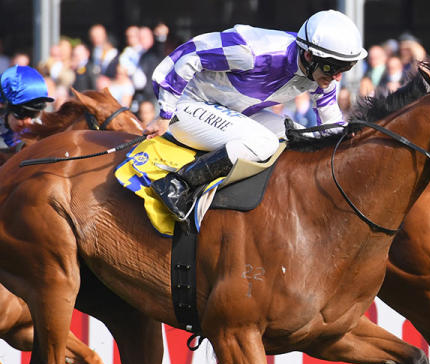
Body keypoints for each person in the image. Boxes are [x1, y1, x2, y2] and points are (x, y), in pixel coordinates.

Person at [147, 9, 365, 221]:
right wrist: (164, 114)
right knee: (263, 142)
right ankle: (178, 184)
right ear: (308, 55)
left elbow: (330, 126)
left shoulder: (319, 71)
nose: (337, 77)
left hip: (233, 111)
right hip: (186, 106)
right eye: (332, 67)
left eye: (345, 68)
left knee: (304, 135)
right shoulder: (252, 50)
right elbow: (188, 56)